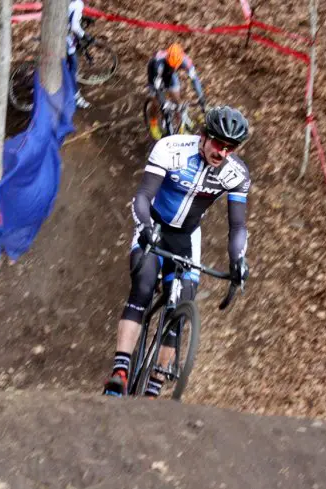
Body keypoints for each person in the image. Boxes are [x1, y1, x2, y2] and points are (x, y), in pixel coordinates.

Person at [103, 105, 251, 398]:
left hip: (186, 237)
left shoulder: (236, 174)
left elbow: (237, 226)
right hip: (154, 224)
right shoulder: (172, 149)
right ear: (204, 135)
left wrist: (238, 260)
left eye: (230, 148)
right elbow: (143, 197)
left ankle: (154, 389)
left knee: (181, 308)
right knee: (143, 287)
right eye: (218, 143)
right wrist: (145, 228)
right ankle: (120, 369)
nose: (222, 153)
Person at [146, 43, 207, 141]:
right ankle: (153, 124)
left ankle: (180, 130)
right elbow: (157, 87)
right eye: (171, 66)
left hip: (170, 75)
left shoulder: (185, 61)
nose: (173, 68)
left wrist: (201, 98)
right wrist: (163, 101)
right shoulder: (159, 63)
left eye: (175, 66)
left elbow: (195, 79)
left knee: (178, 102)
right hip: (155, 73)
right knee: (157, 103)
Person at [67, 0, 91, 109]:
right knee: (73, 67)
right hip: (64, 38)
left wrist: (82, 17)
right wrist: (84, 35)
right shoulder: (78, 4)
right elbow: (74, 27)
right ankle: (76, 97)